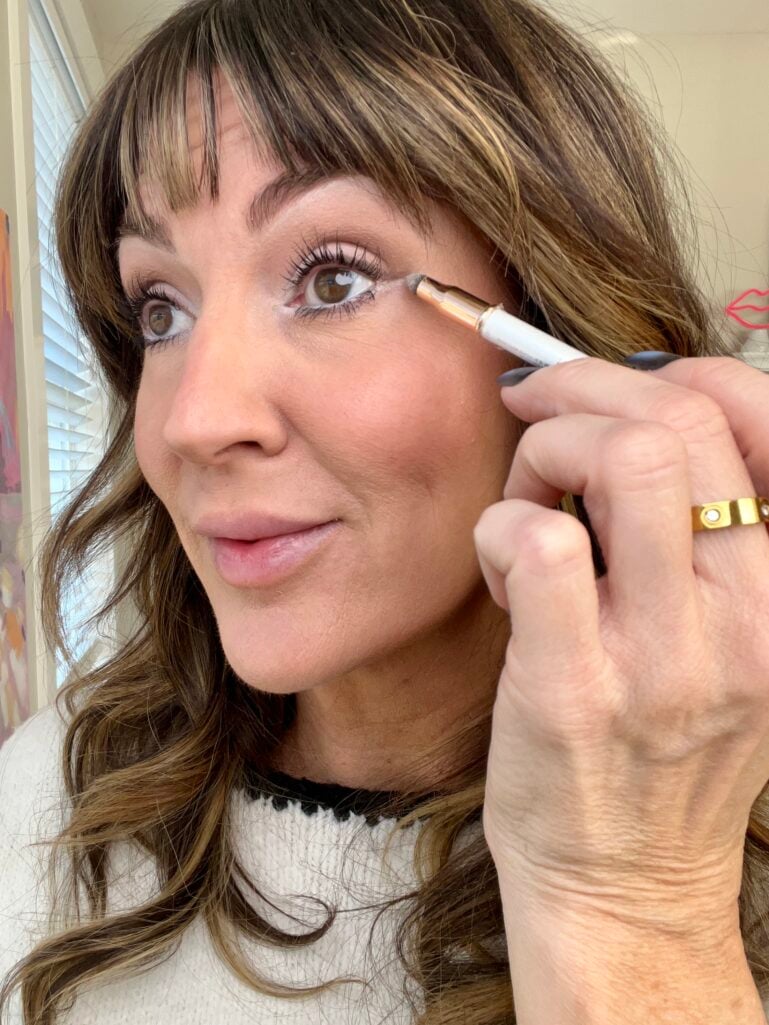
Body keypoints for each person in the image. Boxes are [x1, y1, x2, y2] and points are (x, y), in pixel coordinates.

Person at [2, 0, 769, 1022]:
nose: (195, 419)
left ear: (557, 335)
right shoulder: (51, 795)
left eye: (330, 278)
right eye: (160, 308)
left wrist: (632, 910)